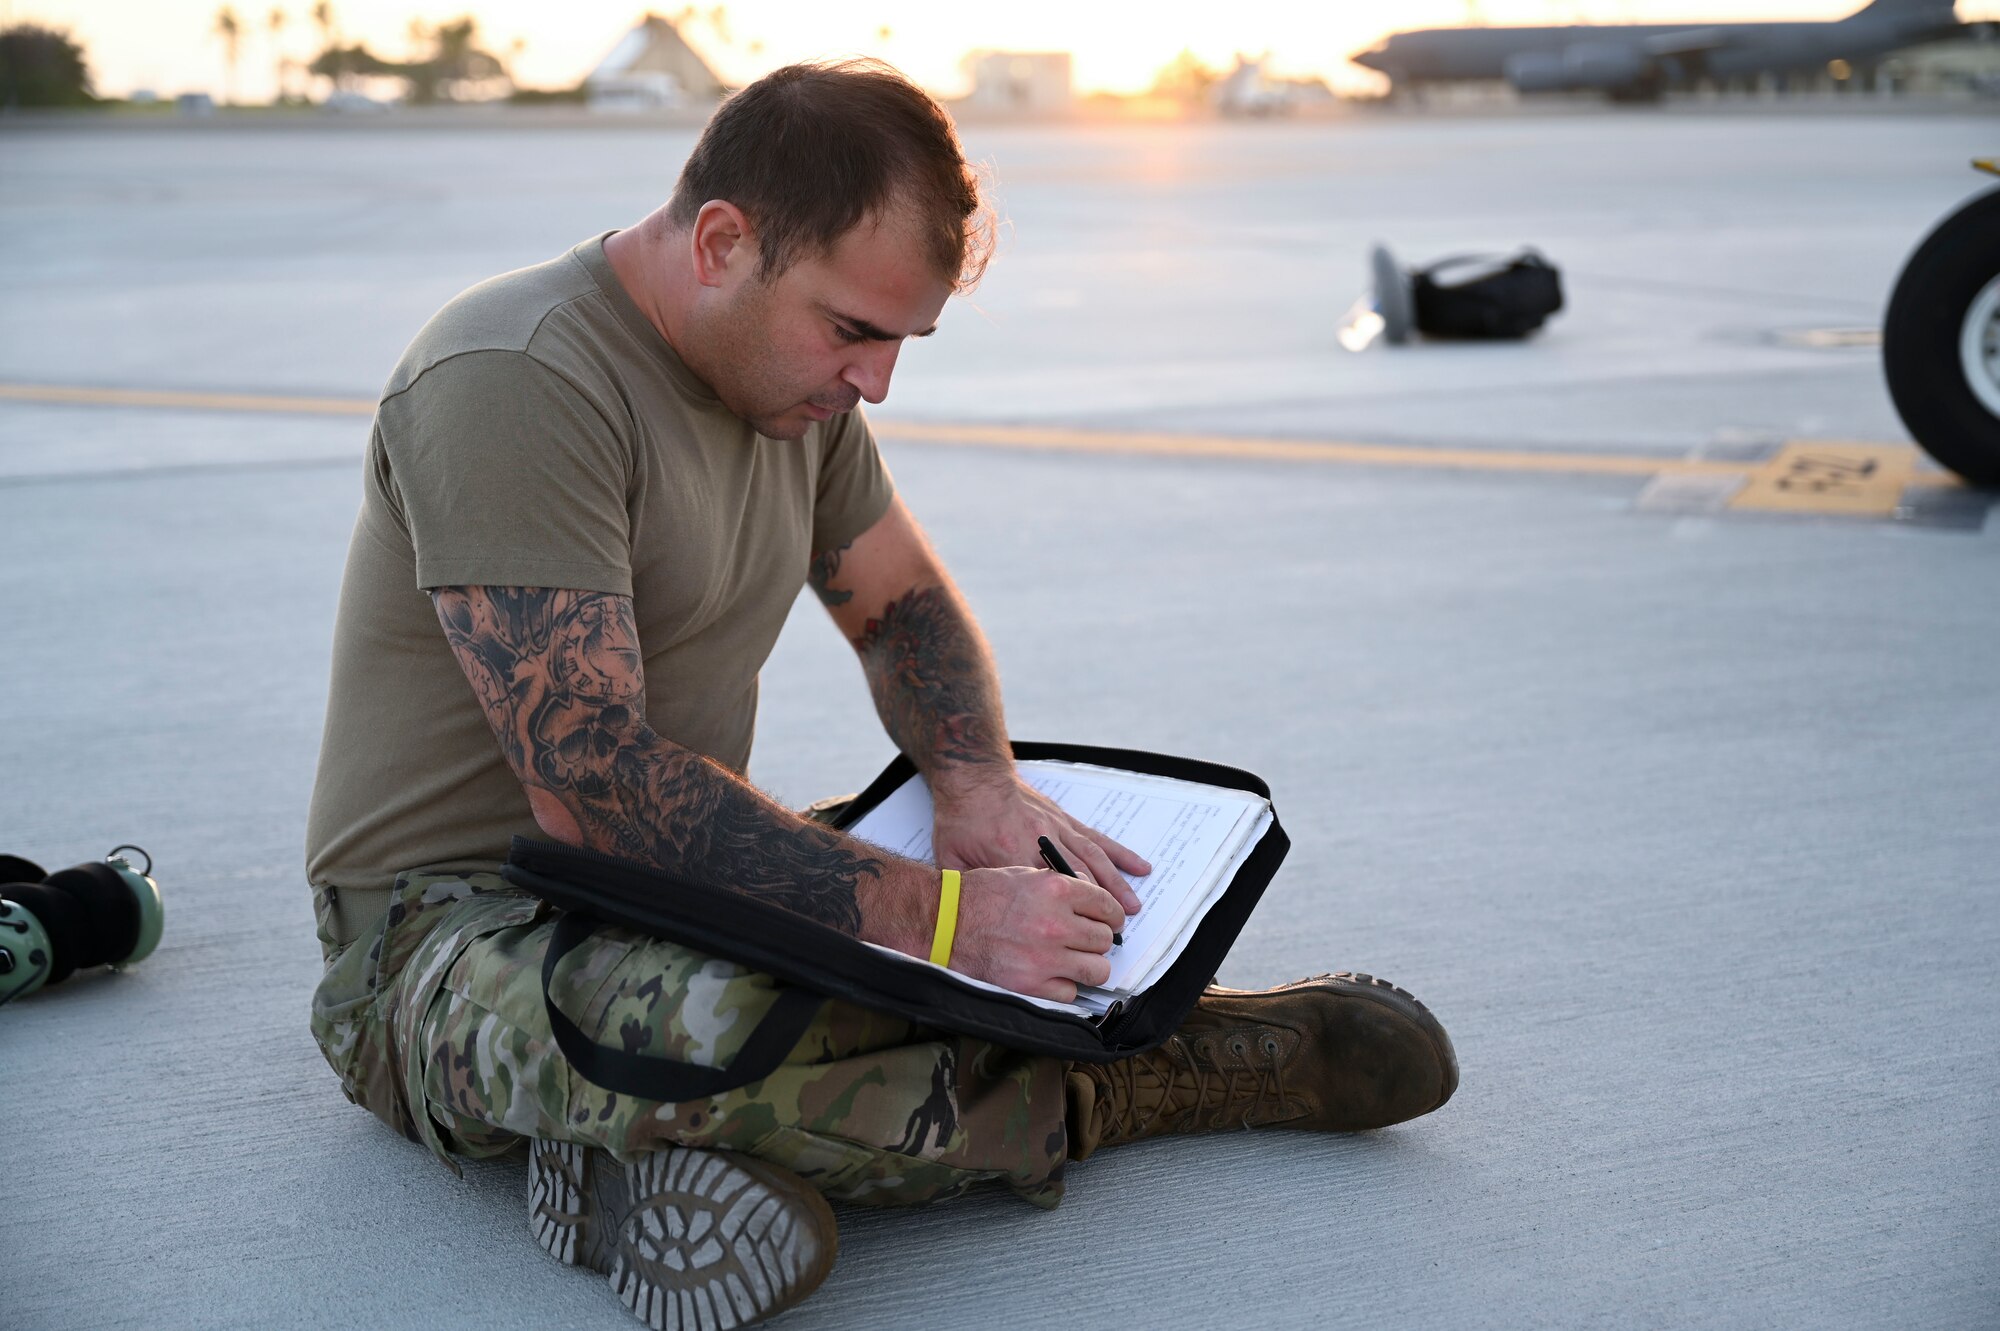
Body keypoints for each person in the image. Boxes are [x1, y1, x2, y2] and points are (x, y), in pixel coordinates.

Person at [305, 59, 1457, 1331]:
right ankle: (1146, 1080)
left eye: (899, 342)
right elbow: (589, 787)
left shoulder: (787, 387)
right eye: (854, 330)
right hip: (442, 934)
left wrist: (972, 786)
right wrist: (940, 917)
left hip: (653, 889)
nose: (875, 382)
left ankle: (633, 1159)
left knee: (857, 960)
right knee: (738, 1016)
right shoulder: (516, 376)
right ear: (722, 241)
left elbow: (900, 604)